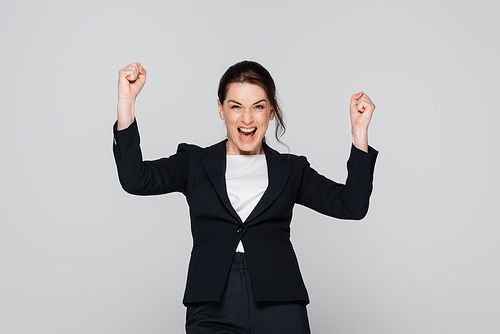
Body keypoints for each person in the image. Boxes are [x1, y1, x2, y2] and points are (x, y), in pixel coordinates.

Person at [113, 61, 378, 333]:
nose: (247, 119)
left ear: (271, 110)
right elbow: (136, 179)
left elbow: (352, 206)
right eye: (236, 106)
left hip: (281, 303)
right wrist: (126, 103)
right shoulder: (193, 162)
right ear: (221, 109)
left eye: (258, 106)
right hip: (212, 304)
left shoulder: (291, 169)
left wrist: (359, 133)